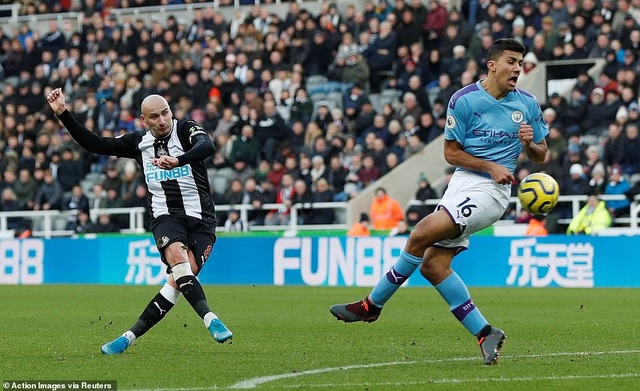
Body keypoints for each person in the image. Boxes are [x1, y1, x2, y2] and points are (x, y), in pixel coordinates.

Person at [330, 39, 549, 365]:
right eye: (511, 61)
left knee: (420, 232)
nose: (517, 68)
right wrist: (489, 164)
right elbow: (450, 153)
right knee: (433, 265)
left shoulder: (527, 104)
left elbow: (542, 155)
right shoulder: (463, 100)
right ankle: (485, 332)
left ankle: (371, 306)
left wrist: (530, 145)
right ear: (492, 65)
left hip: (493, 192)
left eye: (520, 63)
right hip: (463, 182)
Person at [46, 88, 233, 354]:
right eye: (155, 117)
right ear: (144, 121)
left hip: (202, 219)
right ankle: (211, 319)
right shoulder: (138, 142)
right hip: (165, 217)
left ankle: (128, 337)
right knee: (178, 259)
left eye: (165, 113)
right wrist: (63, 113)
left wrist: (178, 159)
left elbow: (208, 146)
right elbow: (95, 144)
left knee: (178, 280)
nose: (163, 120)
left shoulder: (187, 129)